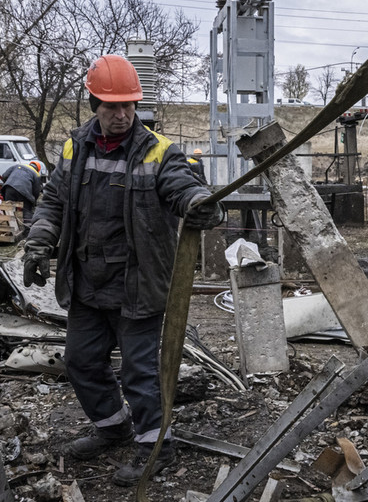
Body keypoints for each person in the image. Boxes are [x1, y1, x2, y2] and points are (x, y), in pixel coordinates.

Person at [21, 54, 225, 487]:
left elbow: (180, 186)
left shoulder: (159, 150)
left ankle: (155, 446)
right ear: (94, 102)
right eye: (112, 106)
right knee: (80, 361)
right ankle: (113, 427)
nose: (122, 114)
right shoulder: (75, 147)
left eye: (129, 104)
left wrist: (196, 203)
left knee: (140, 371)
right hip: (88, 283)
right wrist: (39, 244)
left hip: (138, 284)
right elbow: (54, 200)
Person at [0, 161, 43, 236]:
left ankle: (8, 230)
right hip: (24, 191)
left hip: (9, 188)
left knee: (9, 209)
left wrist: (9, 183)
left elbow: (4, 176)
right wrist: (33, 201)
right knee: (26, 210)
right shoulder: (36, 174)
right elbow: (36, 190)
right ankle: (27, 232)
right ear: (37, 169)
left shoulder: (17, 166)